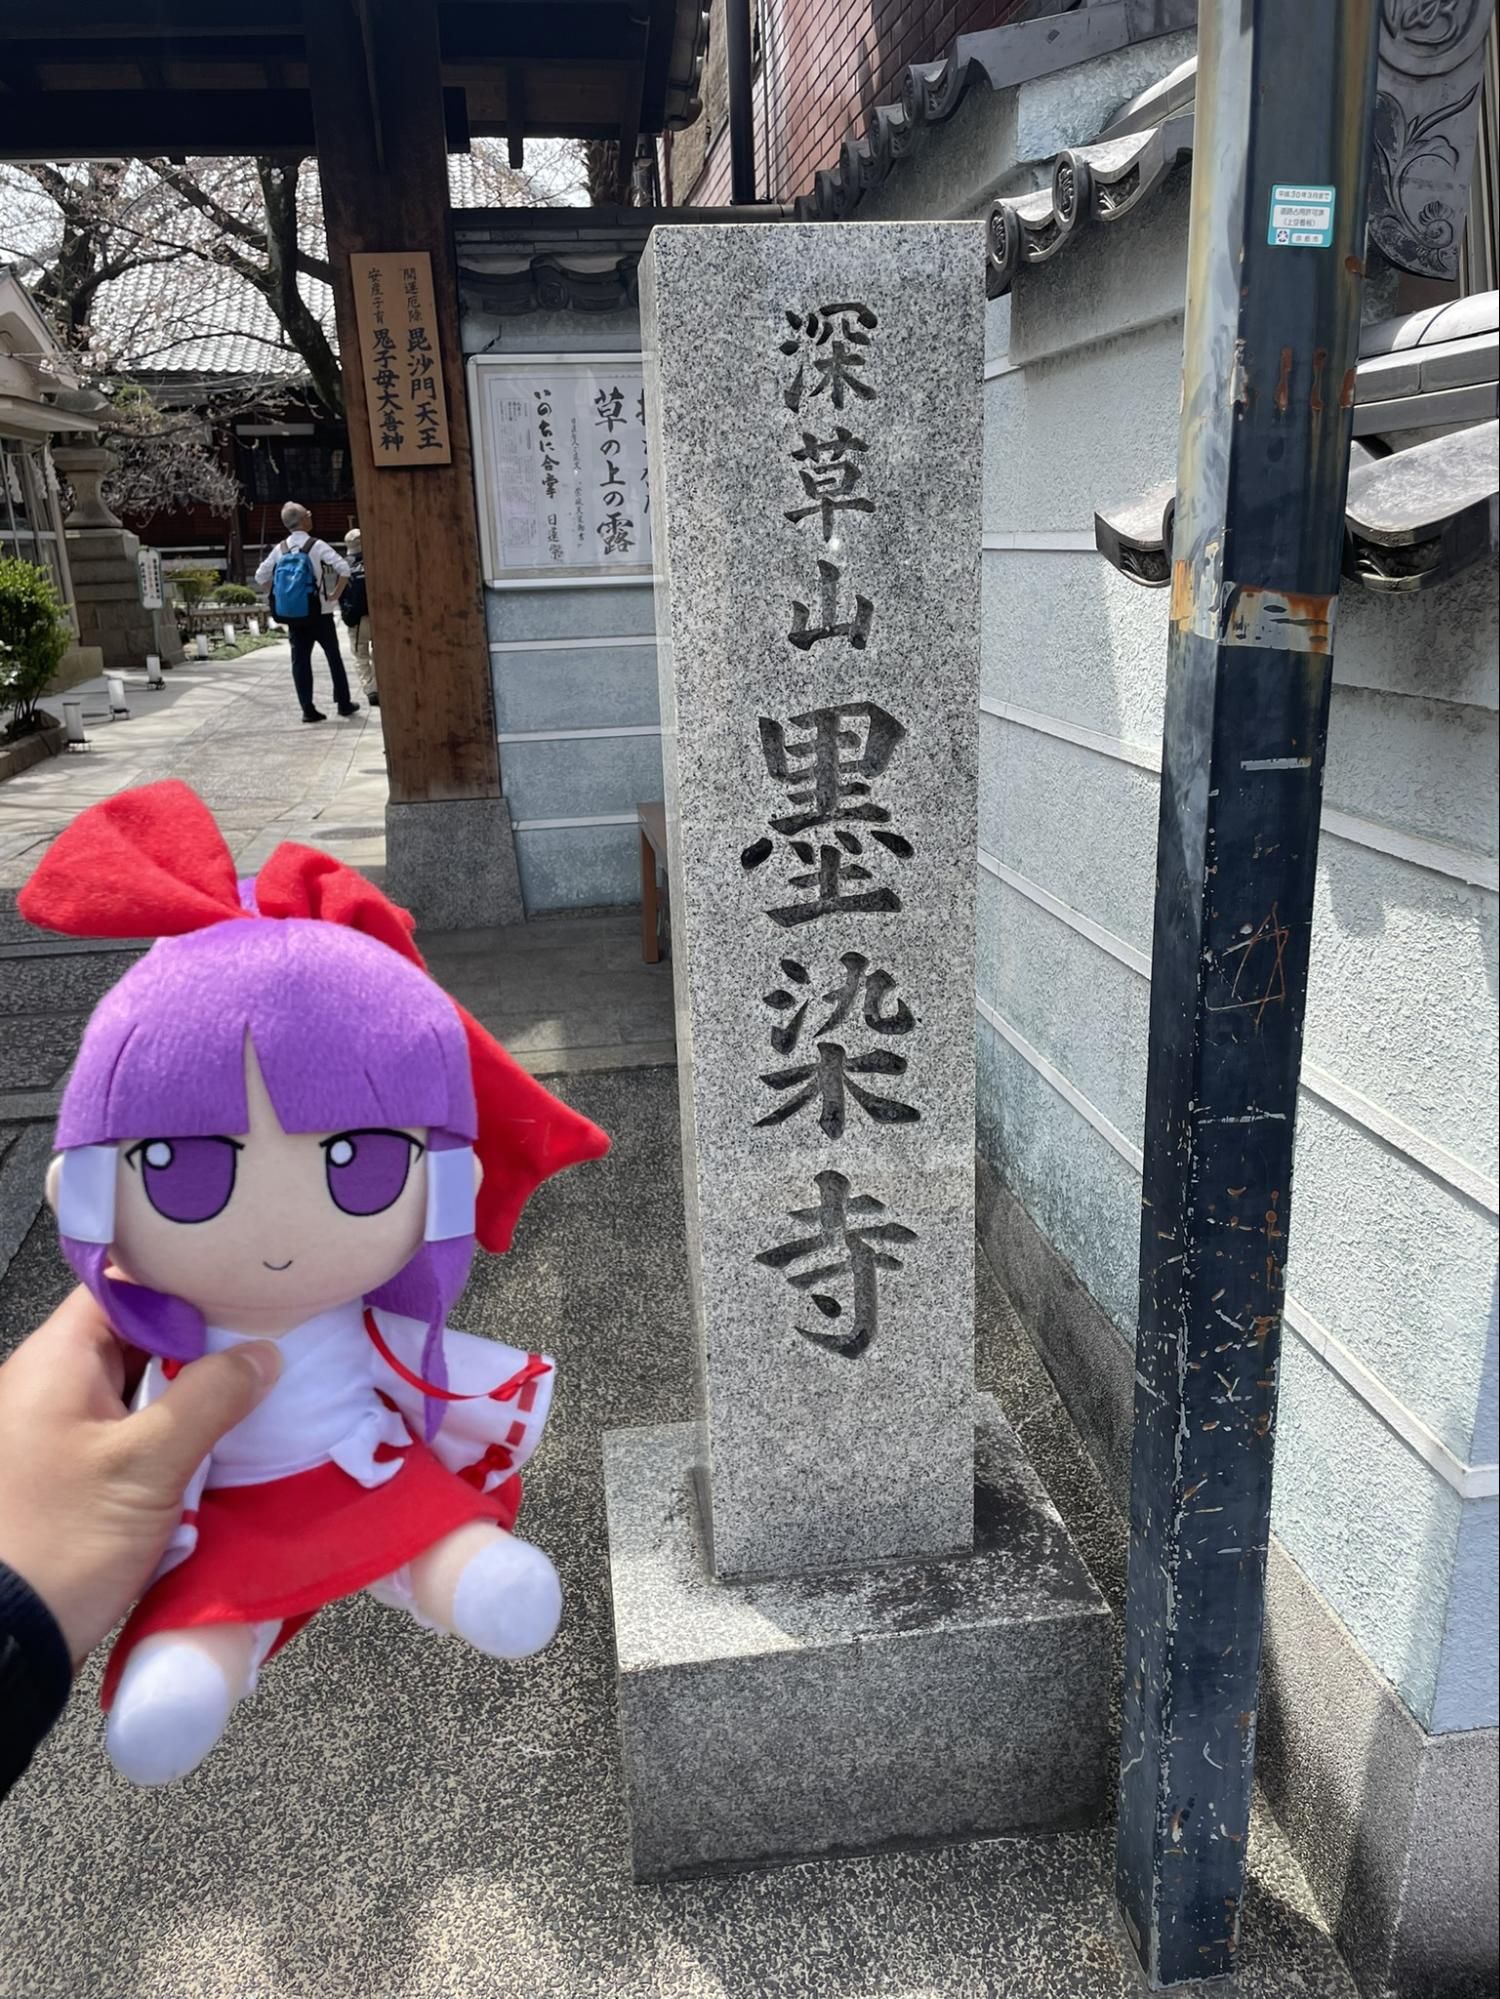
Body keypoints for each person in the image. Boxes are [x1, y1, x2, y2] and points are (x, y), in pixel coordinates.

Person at [0, 1287, 281, 1800]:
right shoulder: (171, 1373)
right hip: (220, 1506)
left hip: (357, 1465)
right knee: (216, 1574)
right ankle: (180, 1676)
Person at [255, 502, 359, 725]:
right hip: (320, 612)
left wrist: (278, 596)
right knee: (333, 657)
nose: (312, 517)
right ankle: (343, 703)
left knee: (300, 661)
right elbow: (344, 568)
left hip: (294, 615)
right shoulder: (316, 545)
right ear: (303, 520)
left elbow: (260, 576)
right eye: (309, 514)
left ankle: (307, 709)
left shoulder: (280, 548)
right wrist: (334, 594)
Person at [341, 527, 377, 708]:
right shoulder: (375, 561)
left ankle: (371, 689)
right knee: (378, 653)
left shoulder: (343, 565)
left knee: (360, 656)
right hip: (376, 616)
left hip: (355, 620)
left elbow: (339, 594)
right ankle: (381, 684)